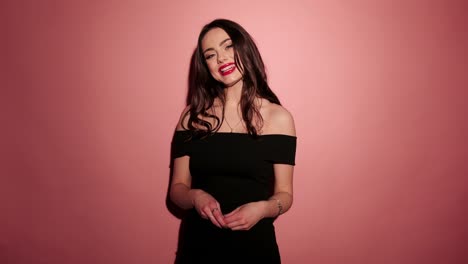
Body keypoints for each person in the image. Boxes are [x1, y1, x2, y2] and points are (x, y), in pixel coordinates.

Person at [170, 18, 297, 263]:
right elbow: (177, 189)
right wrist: (195, 197)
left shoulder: (278, 117)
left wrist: (262, 209)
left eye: (228, 46)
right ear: (205, 65)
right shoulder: (192, 116)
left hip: (255, 248)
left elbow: (285, 194)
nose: (221, 59)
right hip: (198, 247)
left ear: (244, 48)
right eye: (210, 54)